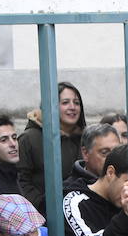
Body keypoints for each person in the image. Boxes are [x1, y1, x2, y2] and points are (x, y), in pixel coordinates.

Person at [18, 81, 86, 213]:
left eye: (76, 103)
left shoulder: (85, 139)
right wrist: (43, 206)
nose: (72, 107)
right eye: (65, 102)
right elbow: (21, 180)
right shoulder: (29, 139)